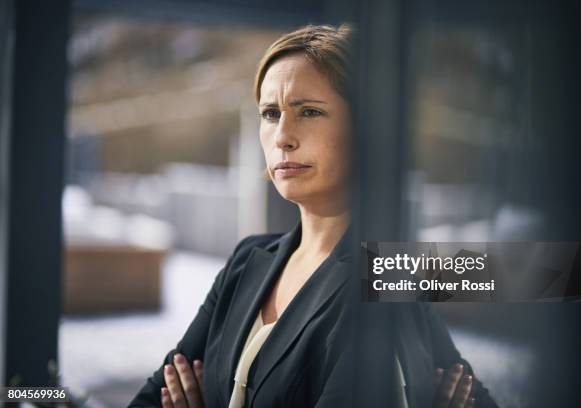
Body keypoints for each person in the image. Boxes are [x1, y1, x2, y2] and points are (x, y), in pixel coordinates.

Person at [128, 24, 498, 408]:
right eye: (270, 113)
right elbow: (153, 396)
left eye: (309, 111)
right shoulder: (246, 261)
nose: (282, 136)